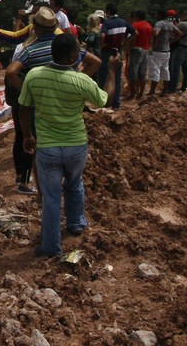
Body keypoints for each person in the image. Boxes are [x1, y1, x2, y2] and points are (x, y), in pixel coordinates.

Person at [18, 33, 116, 258]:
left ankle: (50, 247)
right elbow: (105, 101)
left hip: (48, 148)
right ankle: (76, 223)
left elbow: (23, 106)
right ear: (73, 55)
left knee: (51, 197)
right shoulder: (81, 80)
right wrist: (111, 72)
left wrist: (27, 135)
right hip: (75, 146)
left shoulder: (34, 75)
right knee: (74, 183)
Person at [2, 6, 60, 195]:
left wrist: (25, 89)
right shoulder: (60, 46)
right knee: (35, 141)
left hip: (24, 101)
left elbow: (11, 72)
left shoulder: (25, 48)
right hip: (45, 102)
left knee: (23, 137)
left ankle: (22, 178)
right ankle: (28, 182)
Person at [96, 4, 135, 109]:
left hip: (107, 52)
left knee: (104, 76)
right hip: (118, 52)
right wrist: (125, 41)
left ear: (108, 12)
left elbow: (103, 35)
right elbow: (135, 33)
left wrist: (101, 45)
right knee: (117, 78)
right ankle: (116, 103)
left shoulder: (107, 23)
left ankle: (104, 101)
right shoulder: (123, 22)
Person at [147, 9, 180, 96]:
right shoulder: (170, 24)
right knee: (165, 70)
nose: (155, 16)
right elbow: (180, 33)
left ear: (160, 15)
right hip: (167, 50)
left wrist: (154, 43)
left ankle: (152, 91)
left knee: (155, 70)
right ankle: (165, 90)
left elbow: (156, 33)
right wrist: (170, 41)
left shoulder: (159, 23)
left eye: (156, 14)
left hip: (158, 51)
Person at [168, 10, 187, 92]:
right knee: (186, 69)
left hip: (181, 48)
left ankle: (172, 88)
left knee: (175, 69)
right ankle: (186, 87)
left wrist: (170, 41)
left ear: (183, 16)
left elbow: (173, 33)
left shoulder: (182, 24)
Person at [127, 10, 152, 100]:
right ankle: (141, 93)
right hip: (146, 49)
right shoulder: (149, 26)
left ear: (137, 17)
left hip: (136, 49)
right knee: (142, 73)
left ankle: (132, 94)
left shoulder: (135, 25)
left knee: (133, 72)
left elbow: (133, 37)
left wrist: (128, 47)